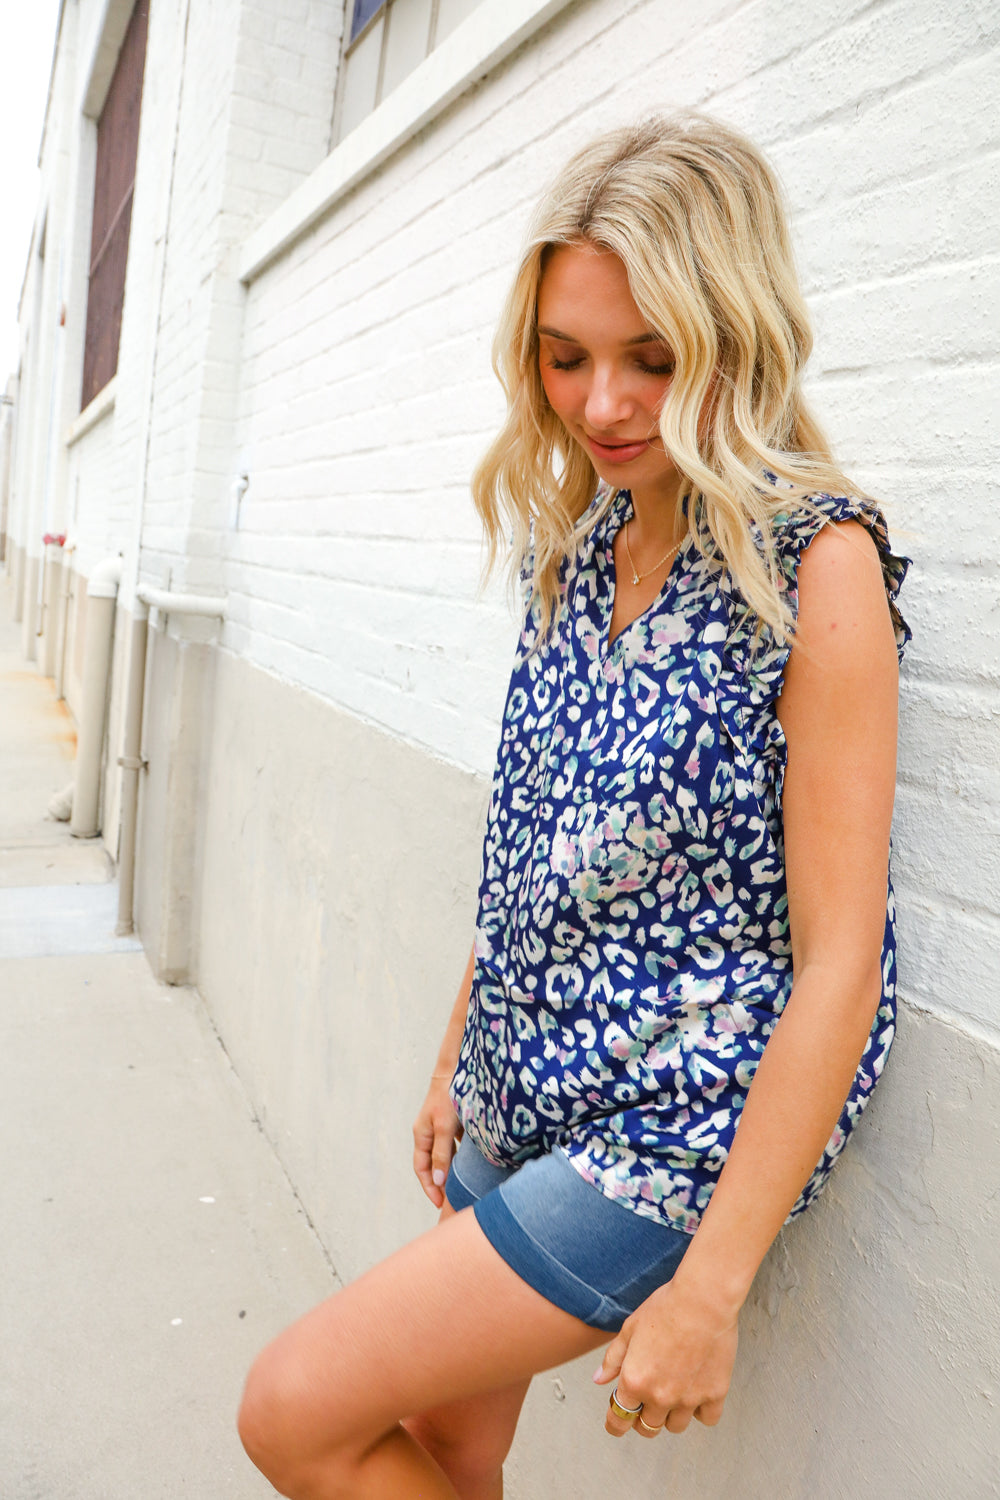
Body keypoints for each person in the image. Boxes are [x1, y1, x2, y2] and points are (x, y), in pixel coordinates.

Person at [238, 113, 910, 1499]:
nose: (602, 403)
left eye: (652, 359)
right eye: (567, 358)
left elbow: (843, 962)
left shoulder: (815, 565)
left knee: (294, 1410)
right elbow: (526, 843)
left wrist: (711, 1287)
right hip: (523, 1080)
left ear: (736, 334)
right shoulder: (578, 544)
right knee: (441, 1454)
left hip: (669, 1134)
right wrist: (454, 1059)